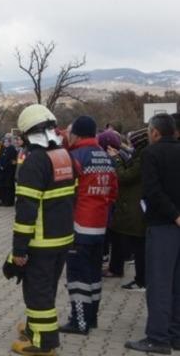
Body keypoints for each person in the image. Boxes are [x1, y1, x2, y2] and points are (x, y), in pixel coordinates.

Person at [9, 104, 76, 356]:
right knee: (46, 287)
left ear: (26, 133)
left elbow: (26, 210)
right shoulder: (63, 156)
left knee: (38, 292)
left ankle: (42, 343)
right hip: (62, 237)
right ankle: (33, 327)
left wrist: (19, 248)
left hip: (41, 239)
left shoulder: (34, 162)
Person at [125, 113, 180, 354]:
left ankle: (157, 337)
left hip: (162, 225)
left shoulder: (151, 153)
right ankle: (176, 334)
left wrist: (174, 215)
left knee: (158, 283)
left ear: (155, 133)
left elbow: (153, 192)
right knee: (177, 284)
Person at [60, 116, 118, 335]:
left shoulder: (75, 158)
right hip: (100, 226)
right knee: (93, 276)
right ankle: (91, 318)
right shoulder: (106, 157)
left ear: (77, 134)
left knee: (78, 277)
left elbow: (68, 193)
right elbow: (113, 192)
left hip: (79, 226)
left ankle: (79, 321)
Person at [106, 128, 148, 291]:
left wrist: (116, 159)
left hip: (135, 206)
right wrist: (121, 149)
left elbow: (125, 176)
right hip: (133, 205)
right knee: (136, 243)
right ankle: (140, 277)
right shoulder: (140, 155)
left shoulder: (142, 158)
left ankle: (141, 280)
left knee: (139, 245)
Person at [0, 134, 19, 207]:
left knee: (9, 186)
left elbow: (13, 161)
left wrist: (5, 166)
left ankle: (9, 201)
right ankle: (2, 200)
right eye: (5, 140)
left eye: (8, 140)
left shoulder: (12, 149)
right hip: (2, 171)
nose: (6, 142)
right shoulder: (2, 148)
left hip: (9, 171)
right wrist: (0, 165)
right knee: (2, 186)